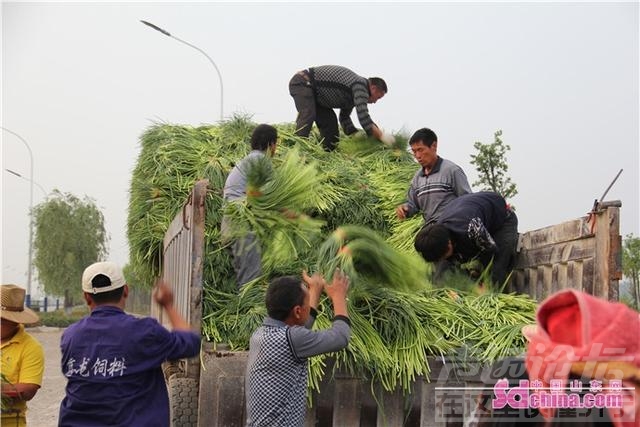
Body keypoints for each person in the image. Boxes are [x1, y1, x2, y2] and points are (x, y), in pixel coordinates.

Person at [58, 261, 200, 427]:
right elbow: (190, 343)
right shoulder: (145, 331)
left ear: (86, 297)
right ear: (126, 290)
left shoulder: (70, 336)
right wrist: (168, 305)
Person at [245, 269, 351, 426]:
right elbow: (341, 337)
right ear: (297, 311)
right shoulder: (293, 339)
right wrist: (338, 297)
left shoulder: (260, 334)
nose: (310, 307)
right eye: (307, 303)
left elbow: (301, 328)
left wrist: (314, 292)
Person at [413, 191, 518, 286]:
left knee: (497, 267)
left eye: (442, 256)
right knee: (443, 269)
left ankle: (493, 297)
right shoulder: (438, 234)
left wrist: (482, 285)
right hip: (473, 215)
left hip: (502, 221)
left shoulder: (472, 229)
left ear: (449, 244)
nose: (441, 259)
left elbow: (491, 253)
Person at [222, 123, 278, 287]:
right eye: (276, 145)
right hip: (241, 224)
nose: (275, 150)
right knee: (251, 281)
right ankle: (250, 311)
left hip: (230, 224)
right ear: (270, 144)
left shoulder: (248, 161)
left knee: (244, 278)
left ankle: (244, 308)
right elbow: (270, 195)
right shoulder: (261, 160)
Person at [289, 65, 394, 151]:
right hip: (304, 82)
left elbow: (344, 118)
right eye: (378, 97)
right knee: (308, 114)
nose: (375, 102)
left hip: (317, 97)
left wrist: (355, 134)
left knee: (330, 126)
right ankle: (297, 150)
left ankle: (327, 155)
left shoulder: (353, 96)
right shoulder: (360, 86)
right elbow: (363, 117)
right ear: (373, 88)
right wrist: (381, 136)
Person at [396, 127, 472, 225]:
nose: (418, 156)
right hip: (431, 230)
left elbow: (468, 201)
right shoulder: (417, 178)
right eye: (414, 152)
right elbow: (413, 205)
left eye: (420, 150)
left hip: (452, 229)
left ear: (434, 146)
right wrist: (405, 209)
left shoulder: (451, 170)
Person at [1, 284, 44, 427]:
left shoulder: (31, 347)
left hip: (10, 420)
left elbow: (28, 389)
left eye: (2, 320)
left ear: (15, 321)